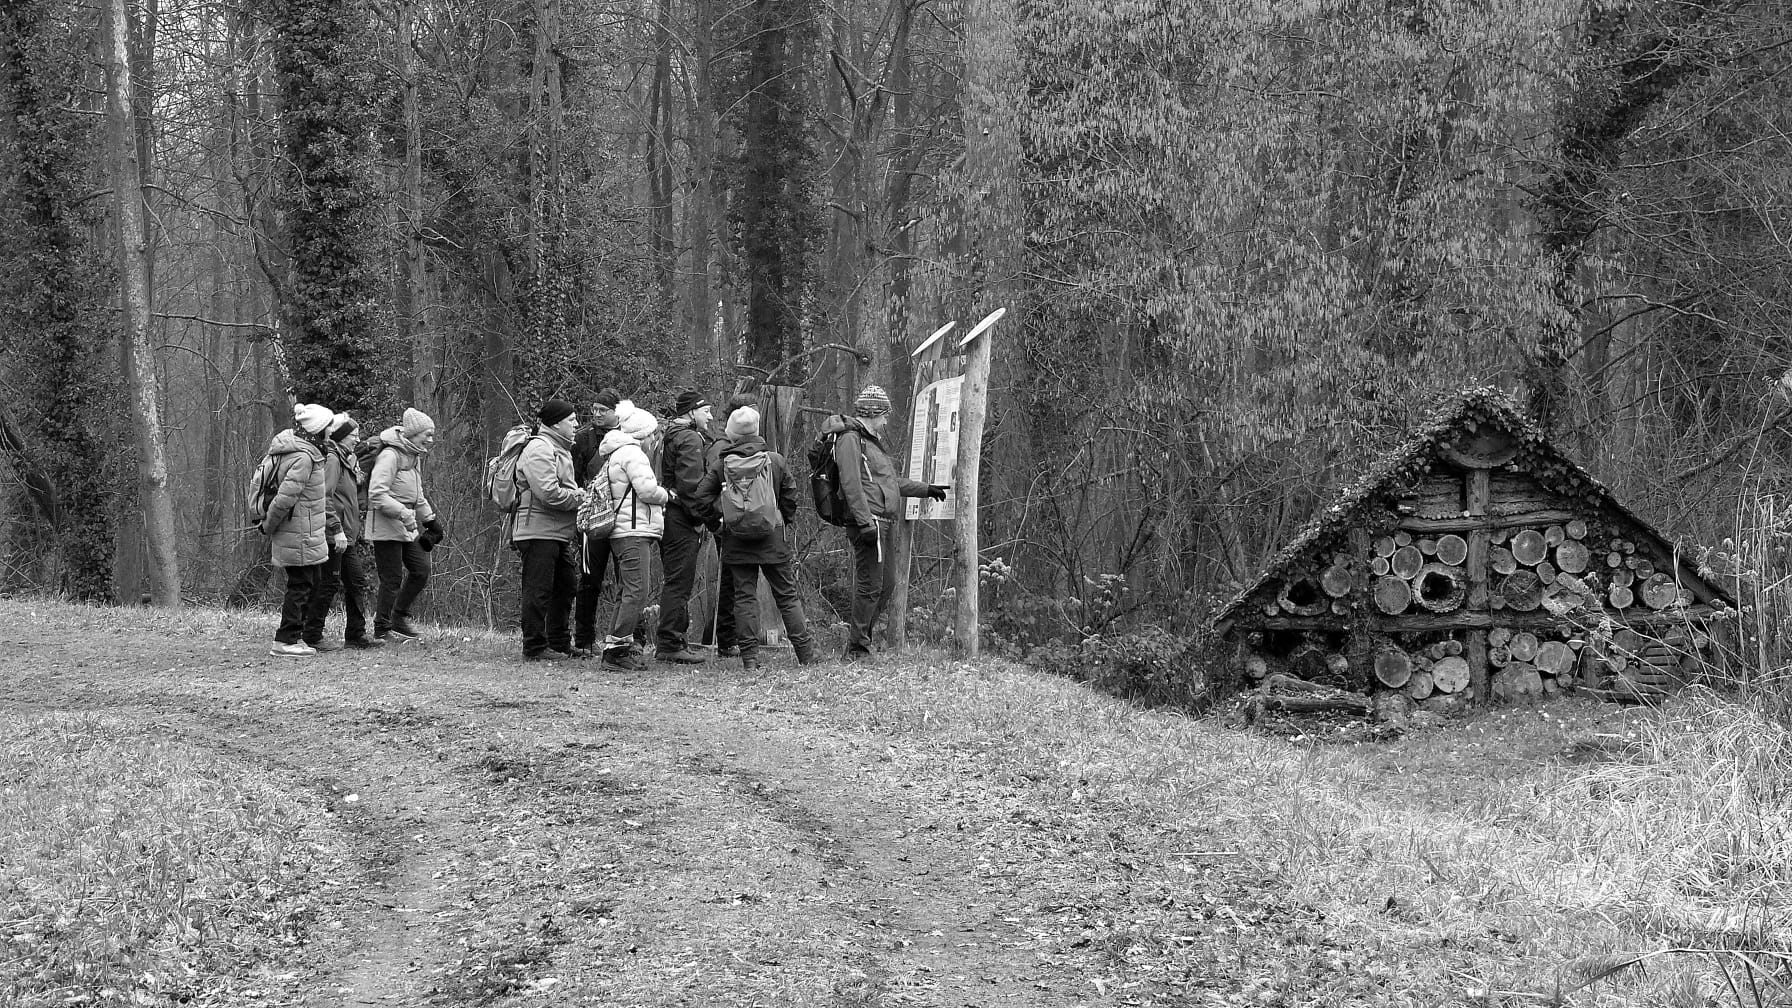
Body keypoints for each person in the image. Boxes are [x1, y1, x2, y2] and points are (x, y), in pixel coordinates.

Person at [821, 385, 947, 660]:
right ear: (873, 412)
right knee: (870, 586)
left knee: (887, 583)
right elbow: (851, 483)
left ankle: (860, 640)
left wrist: (925, 489)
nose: (887, 421)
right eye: (885, 415)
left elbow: (888, 483)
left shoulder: (871, 443)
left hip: (883, 521)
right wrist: (865, 522)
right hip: (870, 522)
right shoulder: (850, 439)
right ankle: (857, 649)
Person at [695, 406, 816, 670]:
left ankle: (750, 659)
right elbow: (791, 496)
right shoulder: (775, 460)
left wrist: (717, 524)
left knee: (744, 597)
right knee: (787, 596)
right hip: (772, 537)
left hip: (736, 539)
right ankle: (806, 655)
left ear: (732, 433)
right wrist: (783, 522)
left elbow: (700, 497)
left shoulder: (723, 465)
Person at [598, 401, 675, 671]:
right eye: (653, 434)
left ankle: (614, 647)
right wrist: (667, 494)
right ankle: (618, 650)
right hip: (633, 531)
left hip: (623, 531)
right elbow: (647, 491)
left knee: (626, 591)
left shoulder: (617, 452)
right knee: (637, 591)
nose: (654, 439)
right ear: (642, 434)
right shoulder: (633, 454)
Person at [511, 400, 588, 660]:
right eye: (571, 420)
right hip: (537, 530)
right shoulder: (539, 448)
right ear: (555, 424)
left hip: (553, 531)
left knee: (565, 585)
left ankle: (558, 642)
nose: (576, 424)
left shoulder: (558, 448)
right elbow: (547, 493)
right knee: (538, 589)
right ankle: (534, 647)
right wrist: (579, 498)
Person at [301, 413, 380, 651]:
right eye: (353, 435)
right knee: (328, 583)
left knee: (356, 582)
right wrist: (335, 528)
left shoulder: (347, 460)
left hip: (347, 535)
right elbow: (323, 497)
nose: (357, 439)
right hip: (334, 535)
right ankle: (312, 634)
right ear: (342, 436)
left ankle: (356, 635)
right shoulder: (333, 460)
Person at [265, 403, 334, 657]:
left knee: (311, 583)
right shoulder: (304, 458)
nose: (331, 431)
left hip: (306, 531)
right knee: (301, 586)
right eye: (328, 427)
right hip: (299, 533)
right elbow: (284, 499)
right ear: (318, 429)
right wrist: (268, 526)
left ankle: (295, 636)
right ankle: (285, 639)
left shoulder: (308, 452)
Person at [365, 407, 440, 641]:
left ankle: (398, 617)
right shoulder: (390, 455)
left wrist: (430, 521)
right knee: (392, 578)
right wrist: (405, 515)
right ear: (414, 433)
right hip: (385, 525)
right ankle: (382, 627)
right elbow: (377, 494)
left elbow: (417, 495)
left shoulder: (413, 456)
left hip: (406, 525)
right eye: (427, 434)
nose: (430, 439)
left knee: (421, 569)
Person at [655, 389, 719, 664]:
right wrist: (704, 519)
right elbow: (691, 488)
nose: (710, 416)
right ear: (692, 412)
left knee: (676, 579)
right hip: (681, 519)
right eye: (706, 411)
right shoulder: (690, 438)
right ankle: (669, 643)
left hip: (669, 515)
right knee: (679, 582)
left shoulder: (669, 435)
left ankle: (675, 640)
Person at [707, 391, 760, 657]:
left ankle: (733, 636)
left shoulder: (740, 445)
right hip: (728, 521)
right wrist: (718, 519)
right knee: (729, 578)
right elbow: (711, 487)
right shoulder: (722, 447)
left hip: (741, 519)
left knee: (736, 578)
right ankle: (727, 638)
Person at [573, 389, 624, 652]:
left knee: (627, 581)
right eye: (594, 409)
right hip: (593, 519)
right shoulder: (583, 438)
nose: (597, 414)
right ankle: (584, 640)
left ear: (617, 412)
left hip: (623, 518)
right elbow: (574, 478)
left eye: (603, 410)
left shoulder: (628, 436)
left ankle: (626, 638)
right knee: (589, 580)